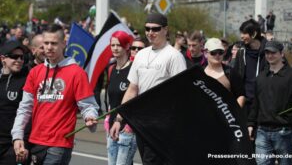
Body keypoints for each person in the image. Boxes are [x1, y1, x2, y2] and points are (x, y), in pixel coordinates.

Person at [11, 24, 99, 165]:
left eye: (54, 43)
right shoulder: (35, 72)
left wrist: (90, 116)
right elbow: (25, 107)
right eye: (46, 43)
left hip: (59, 145)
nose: (49, 47)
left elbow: (88, 105)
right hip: (35, 141)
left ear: (64, 44)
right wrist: (17, 136)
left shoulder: (76, 72)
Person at [110, 13, 187, 165]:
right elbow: (132, 89)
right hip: (142, 123)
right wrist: (119, 119)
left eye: (155, 29)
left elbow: (182, 91)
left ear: (165, 30)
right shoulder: (141, 55)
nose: (150, 33)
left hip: (163, 124)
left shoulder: (174, 56)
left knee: (151, 161)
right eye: (147, 29)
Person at [248, 41, 292, 165]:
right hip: (262, 131)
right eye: (267, 52)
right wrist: (251, 123)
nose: (270, 55)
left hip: (285, 131)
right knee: (262, 163)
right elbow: (256, 102)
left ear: (282, 54)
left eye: (273, 52)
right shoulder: (261, 77)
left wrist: (288, 118)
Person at [106, 31, 137, 165]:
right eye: (113, 45)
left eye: (119, 45)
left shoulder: (134, 68)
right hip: (112, 127)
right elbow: (111, 98)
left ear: (126, 46)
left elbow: (136, 98)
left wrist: (130, 126)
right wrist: (107, 120)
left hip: (127, 129)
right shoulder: (111, 69)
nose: (115, 48)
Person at [0, 41, 30, 165]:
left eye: (22, 57)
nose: (19, 60)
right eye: (14, 57)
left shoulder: (27, 79)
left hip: (13, 145)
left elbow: (28, 112)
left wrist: (25, 143)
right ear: (3, 59)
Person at [234, 19, 267, 115]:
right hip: (245, 103)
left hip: (262, 104)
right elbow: (236, 77)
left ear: (253, 34)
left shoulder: (269, 52)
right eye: (241, 33)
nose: (241, 36)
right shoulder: (241, 52)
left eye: (244, 33)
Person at [204, 38, 245, 107]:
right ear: (205, 53)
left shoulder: (230, 72)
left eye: (220, 52)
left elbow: (241, 96)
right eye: (213, 52)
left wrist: (235, 114)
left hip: (226, 116)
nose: (217, 55)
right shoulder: (199, 72)